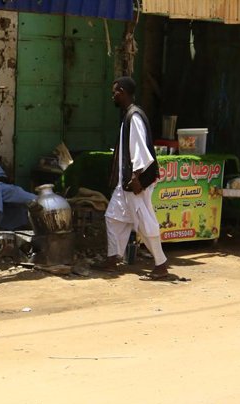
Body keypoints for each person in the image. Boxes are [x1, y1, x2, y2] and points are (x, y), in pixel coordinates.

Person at [94, 76, 171, 280]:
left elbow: (140, 151)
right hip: (125, 183)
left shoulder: (134, 117)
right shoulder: (128, 115)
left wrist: (137, 178)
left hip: (135, 182)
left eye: (114, 92)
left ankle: (161, 265)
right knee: (113, 218)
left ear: (122, 92)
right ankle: (113, 259)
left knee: (145, 223)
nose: (113, 96)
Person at [0, 149, 36, 230]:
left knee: (16, 193)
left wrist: (4, 179)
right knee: (15, 192)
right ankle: (38, 200)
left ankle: (20, 224)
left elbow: (0, 172)